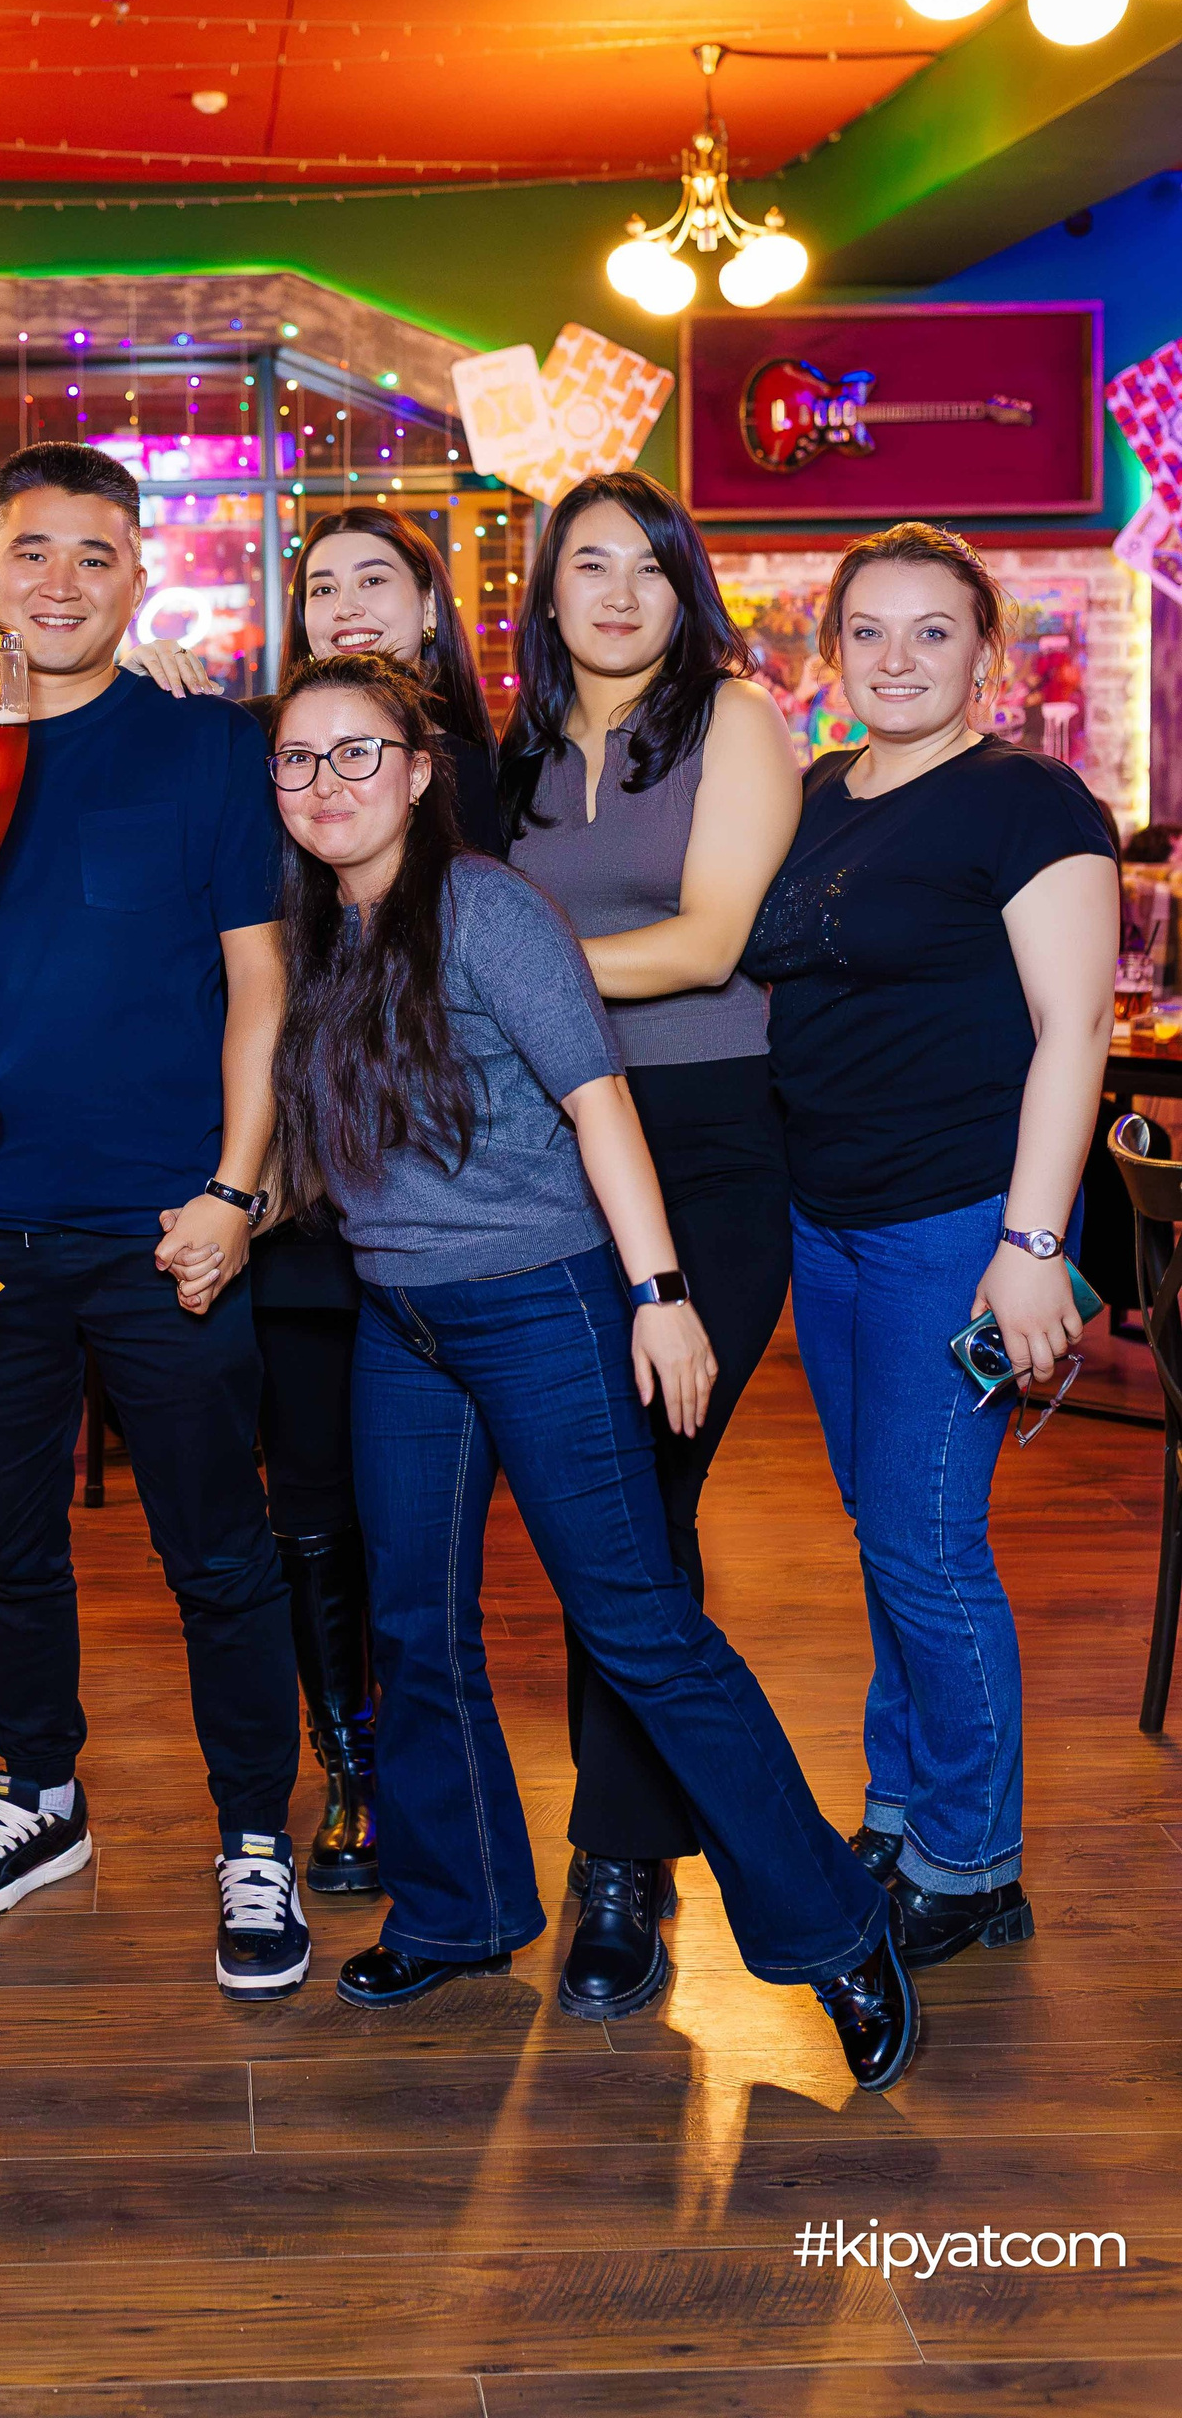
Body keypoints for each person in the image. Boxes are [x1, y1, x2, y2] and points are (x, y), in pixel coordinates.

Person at [267, 651, 917, 2089]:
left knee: (639, 1627)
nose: (326, 782)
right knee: (415, 1627)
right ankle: (457, 1910)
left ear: (419, 773)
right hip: (400, 1319)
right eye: (298, 759)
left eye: (358, 752)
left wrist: (659, 1294)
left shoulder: (487, 908)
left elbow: (601, 1099)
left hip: (541, 1302)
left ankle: (834, 1925)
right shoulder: (316, 924)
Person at [0, 440, 308, 1998]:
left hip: (166, 1225)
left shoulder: (206, 746)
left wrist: (236, 1189)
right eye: (30, 551)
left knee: (218, 1550)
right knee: (10, 1544)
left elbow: (261, 984)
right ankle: (40, 1792)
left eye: (95, 554)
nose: (59, 582)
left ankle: (255, 1832)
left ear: (140, 576)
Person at [744, 522, 1117, 1968]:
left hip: (958, 1223)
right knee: (886, 1532)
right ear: (829, 649)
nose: (897, 659)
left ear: (985, 652)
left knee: (928, 1541)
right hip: (828, 1222)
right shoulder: (818, 792)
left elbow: (1075, 1028)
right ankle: (903, 1811)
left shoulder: (1028, 799)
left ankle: (971, 1860)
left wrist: (1030, 1241)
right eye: (870, 630)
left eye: (933, 631)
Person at [127, 505, 501, 1900]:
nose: (345, 601)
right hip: (301, 1187)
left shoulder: (487, 765)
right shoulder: (258, 747)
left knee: (429, 1511)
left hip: (447, 1185)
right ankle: (349, 1765)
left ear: (428, 602)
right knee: (311, 1500)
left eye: (374, 579)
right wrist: (152, 677)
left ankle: (437, 1767)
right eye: (320, 582)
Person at [501, 472, 800, 2021]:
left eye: (651, 567)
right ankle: (632, 1843)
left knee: (641, 1494)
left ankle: (621, 1857)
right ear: (547, 591)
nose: (619, 594)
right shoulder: (509, 753)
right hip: (554, 1148)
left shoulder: (734, 719)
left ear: (688, 590)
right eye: (588, 565)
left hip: (709, 1143)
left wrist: (491, 969)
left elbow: (710, 941)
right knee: (601, 1502)